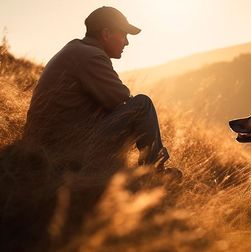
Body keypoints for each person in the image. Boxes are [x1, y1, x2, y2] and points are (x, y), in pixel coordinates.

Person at [23, 6, 177, 176]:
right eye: (124, 35)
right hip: (61, 152)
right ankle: (155, 172)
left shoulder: (75, 49)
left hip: (44, 147)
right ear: (106, 34)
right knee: (142, 105)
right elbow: (122, 100)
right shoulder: (92, 56)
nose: (127, 42)